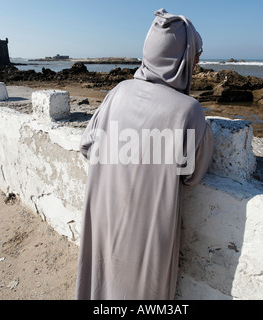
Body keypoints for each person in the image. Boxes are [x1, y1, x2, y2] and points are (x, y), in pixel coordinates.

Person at [76, 8, 214, 300]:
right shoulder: (189, 111)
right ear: (181, 59)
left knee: (100, 289)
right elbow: (192, 175)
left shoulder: (117, 93)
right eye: (195, 55)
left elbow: (87, 145)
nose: (197, 62)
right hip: (147, 237)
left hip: (104, 220)